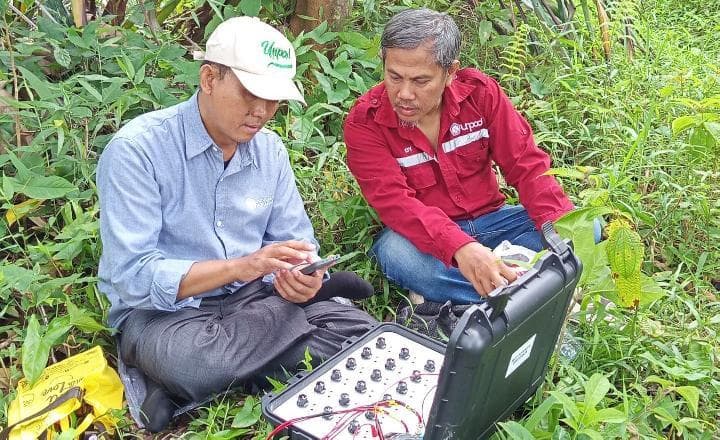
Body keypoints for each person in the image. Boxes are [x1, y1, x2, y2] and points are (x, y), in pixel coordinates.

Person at [97, 16, 376, 432]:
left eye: (274, 100)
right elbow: (132, 277)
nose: (262, 112)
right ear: (209, 78)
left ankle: (179, 387)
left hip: (253, 298)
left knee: (362, 332)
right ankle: (197, 369)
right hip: (167, 312)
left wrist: (304, 276)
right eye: (250, 94)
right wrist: (244, 267)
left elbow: (295, 240)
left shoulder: (270, 151)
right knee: (197, 362)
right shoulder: (137, 151)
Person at [344, 8, 575, 305]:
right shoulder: (366, 121)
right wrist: (461, 247)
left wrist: (559, 229)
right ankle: (527, 295)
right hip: (425, 239)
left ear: (450, 73)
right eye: (394, 77)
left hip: (496, 221)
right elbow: (396, 204)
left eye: (420, 81)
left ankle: (488, 288)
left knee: (579, 226)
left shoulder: (481, 95)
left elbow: (527, 165)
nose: (404, 93)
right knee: (396, 254)